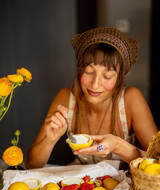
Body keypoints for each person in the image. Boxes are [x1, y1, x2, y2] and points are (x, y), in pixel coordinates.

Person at [25, 27, 159, 169]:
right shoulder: (66, 97)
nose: (95, 85)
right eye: (88, 71)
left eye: (107, 76)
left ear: (120, 78)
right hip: (82, 186)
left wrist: (118, 146)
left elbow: (157, 161)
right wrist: (49, 140)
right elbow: (31, 165)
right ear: (79, 70)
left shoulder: (131, 98)